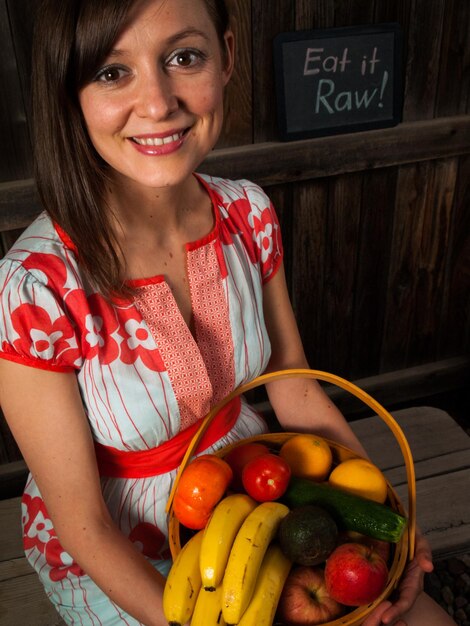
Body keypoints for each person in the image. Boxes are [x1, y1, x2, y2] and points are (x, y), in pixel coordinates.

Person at [0, 1, 456, 625]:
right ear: (67, 88)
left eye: (184, 58)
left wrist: (389, 524)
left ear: (228, 55)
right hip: (122, 555)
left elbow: (291, 381)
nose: (158, 103)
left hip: (253, 485)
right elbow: (84, 523)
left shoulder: (248, 215)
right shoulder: (34, 288)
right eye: (112, 72)